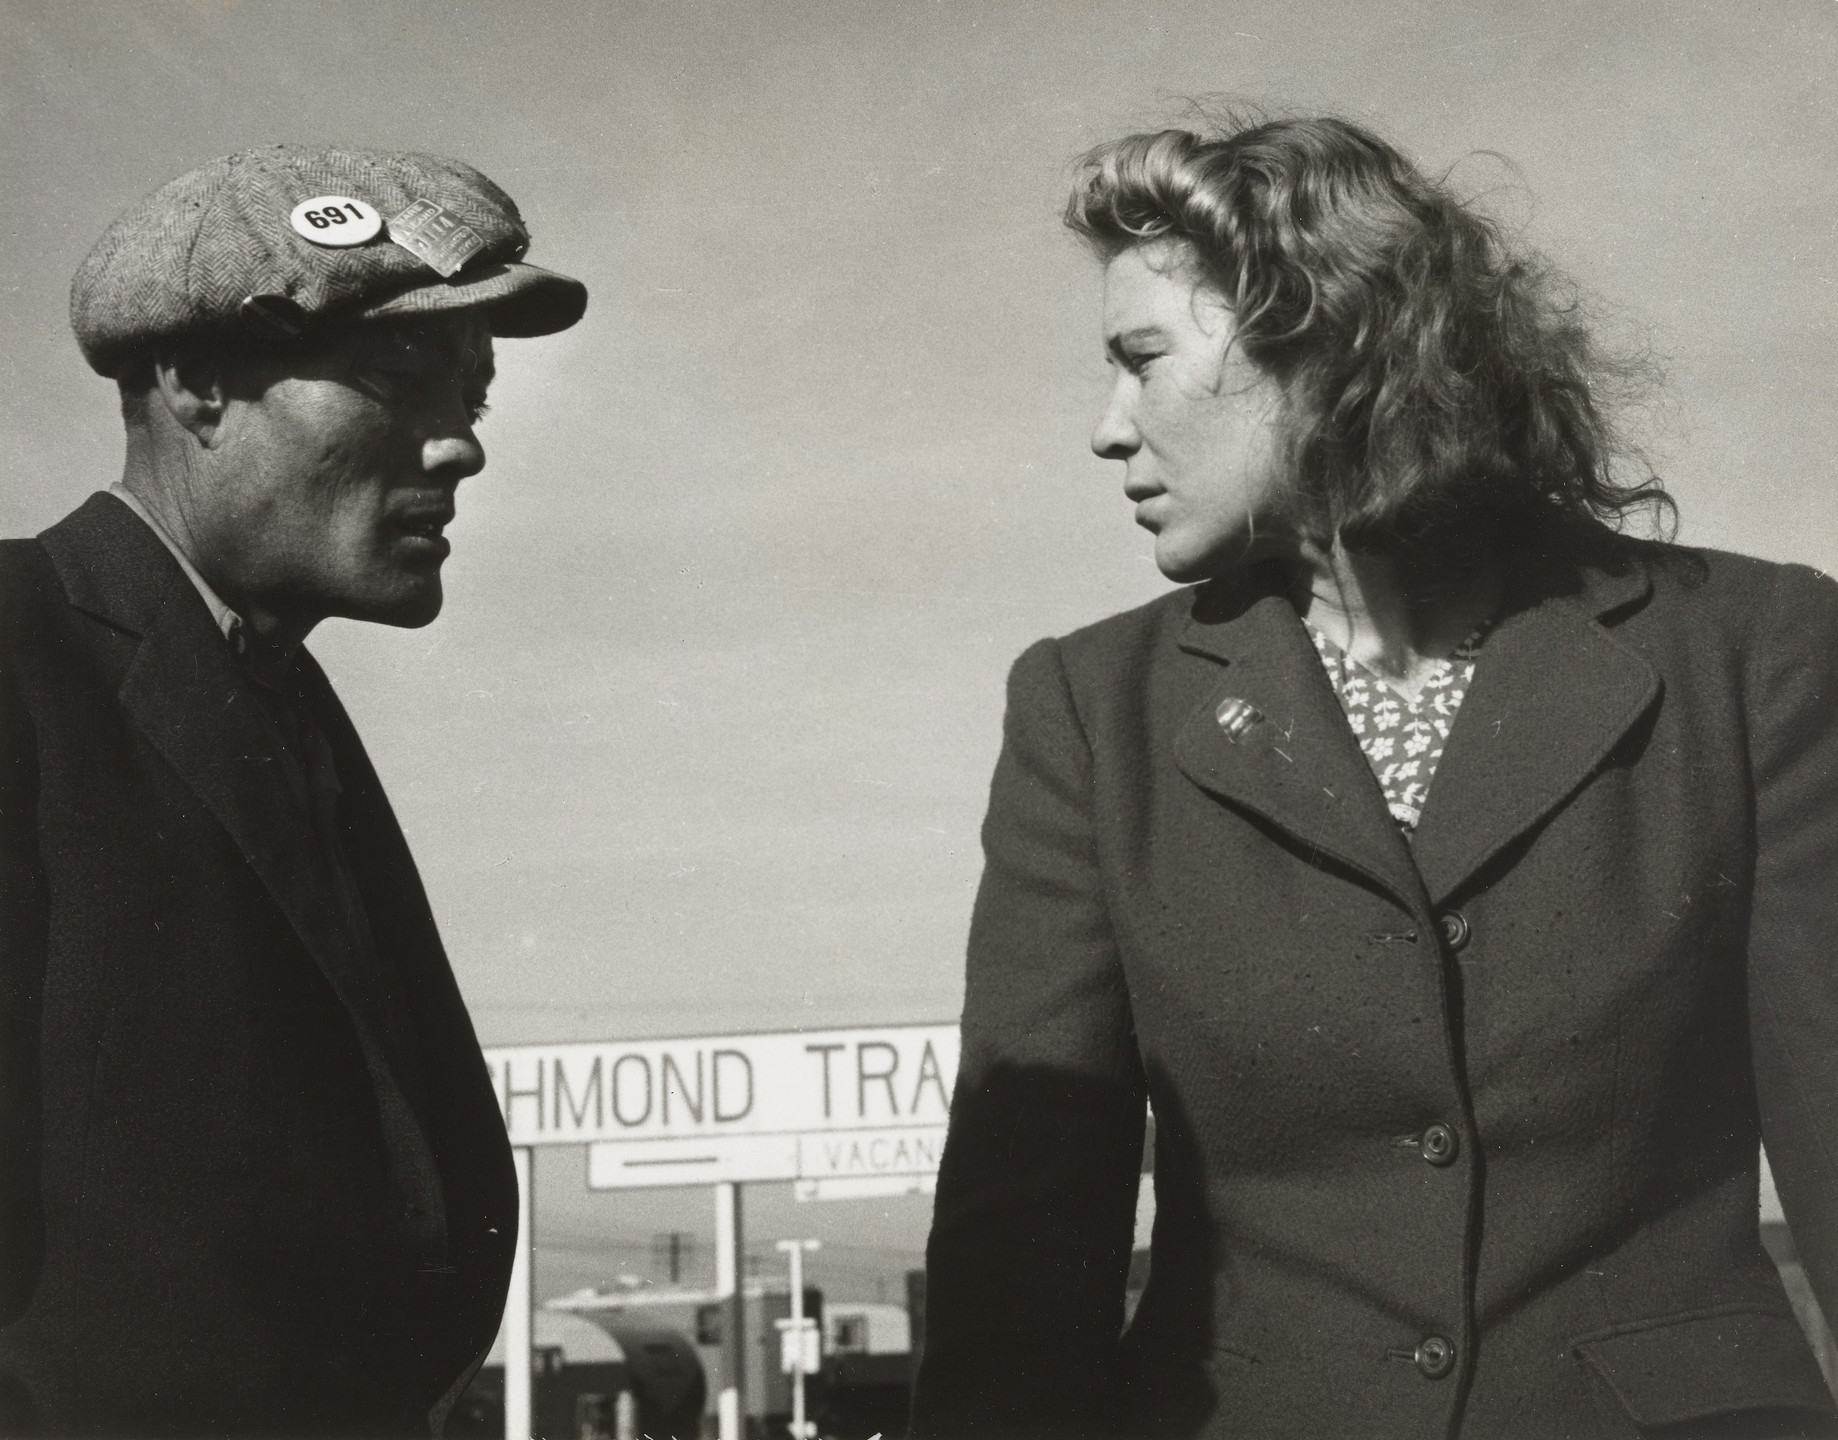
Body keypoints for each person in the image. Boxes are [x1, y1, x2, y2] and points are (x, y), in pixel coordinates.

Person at [911, 116, 1838, 1438]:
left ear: (1320, 345)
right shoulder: (1090, 712)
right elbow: (1022, 1244)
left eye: (1141, 361)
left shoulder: (1755, 652)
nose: (1108, 431)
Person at [0, 146, 587, 1437]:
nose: (462, 444)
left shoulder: (280, 701)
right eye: (397, 376)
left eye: (472, 394)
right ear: (197, 382)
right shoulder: (19, 650)